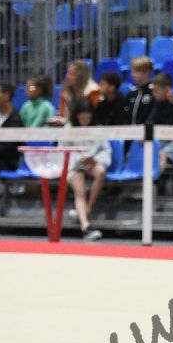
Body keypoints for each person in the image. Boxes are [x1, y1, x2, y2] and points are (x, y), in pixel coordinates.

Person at [66, 101, 111, 242]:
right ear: (77, 116)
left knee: (101, 172)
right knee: (79, 190)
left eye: (88, 117)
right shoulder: (68, 129)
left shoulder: (98, 129)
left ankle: (87, 208)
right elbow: (63, 151)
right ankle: (85, 226)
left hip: (92, 163)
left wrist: (95, 159)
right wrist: (78, 159)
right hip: (74, 165)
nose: (85, 120)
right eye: (82, 117)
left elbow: (106, 150)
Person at [120, 56, 156, 124]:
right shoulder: (132, 93)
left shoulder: (154, 91)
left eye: (137, 71)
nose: (133, 74)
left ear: (147, 72)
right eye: (132, 71)